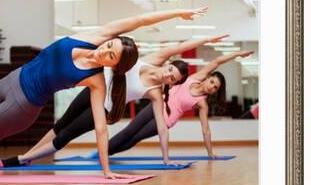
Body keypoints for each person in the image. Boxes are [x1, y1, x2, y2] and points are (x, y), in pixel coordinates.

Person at [0, 8, 194, 179]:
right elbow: (140, 20)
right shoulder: (93, 37)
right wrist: (179, 13)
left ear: (115, 65)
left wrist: (106, 171)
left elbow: (101, 129)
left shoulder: (96, 81)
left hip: (23, 106)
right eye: (110, 46)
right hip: (11, 80)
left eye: (112, 55)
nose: (106, 51)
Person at [0, 29, 229, 168]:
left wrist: (166, 158)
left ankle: (21, 158)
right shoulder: (153, 58)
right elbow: (184, 44)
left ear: (173, 84)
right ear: (167, 64)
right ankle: (29, 156)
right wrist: (207, 40)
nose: (167, 76)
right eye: (170, 71)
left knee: (66, 136)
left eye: (172, 79)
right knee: (60, 125)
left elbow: (162, 127)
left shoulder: (155, 93)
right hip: (93, 89)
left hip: (104, 109)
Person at [100, 50, 255, 159]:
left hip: (167, 118)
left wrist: (210, 152)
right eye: (212, 82)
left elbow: (206, 130)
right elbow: (216, 61)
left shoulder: (202, 103)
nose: (211, 87)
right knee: (129, 131)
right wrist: (236, 54)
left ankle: (108, 154)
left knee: (135, 138)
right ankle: (101, 151)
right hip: (156, 105)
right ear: (208, 78)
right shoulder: (196, 77)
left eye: (215, 88)